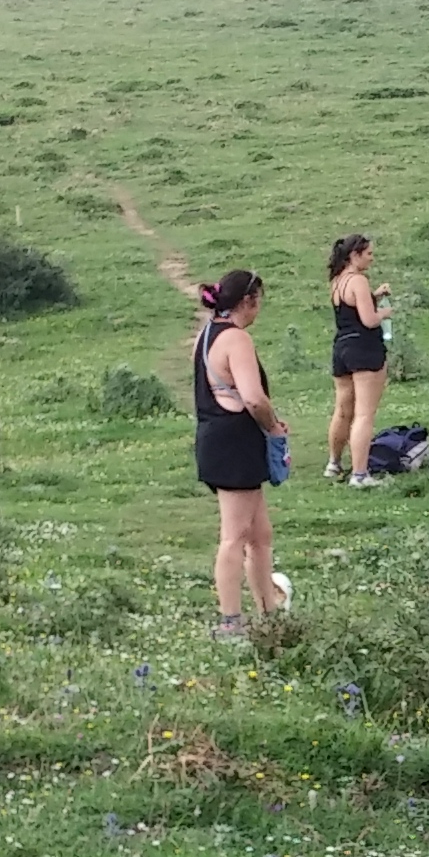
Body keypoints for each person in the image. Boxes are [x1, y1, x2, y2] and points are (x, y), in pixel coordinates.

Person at [188, 268, 290, 635]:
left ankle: (268, 612)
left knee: (259, 534)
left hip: (215, 438)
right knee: (233, 535)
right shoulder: (237, 339)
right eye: (259, 301)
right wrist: (274, 427)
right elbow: (252, 397)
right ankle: (230, 621)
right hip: (236, 443)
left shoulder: (205, 336)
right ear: (249, 301)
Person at [323, 233, 393, 485]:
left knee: (343, 411)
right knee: (364, 414)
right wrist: (385, 311)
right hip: (364, 349)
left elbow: (354, 308)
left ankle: (334, 463)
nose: (372, 259)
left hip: (341, 348)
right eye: (369, 254)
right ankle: (360, 474)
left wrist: (374, 296)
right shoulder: (358, 280)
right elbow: (369, 320)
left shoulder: (338, 281)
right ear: (355, 255)